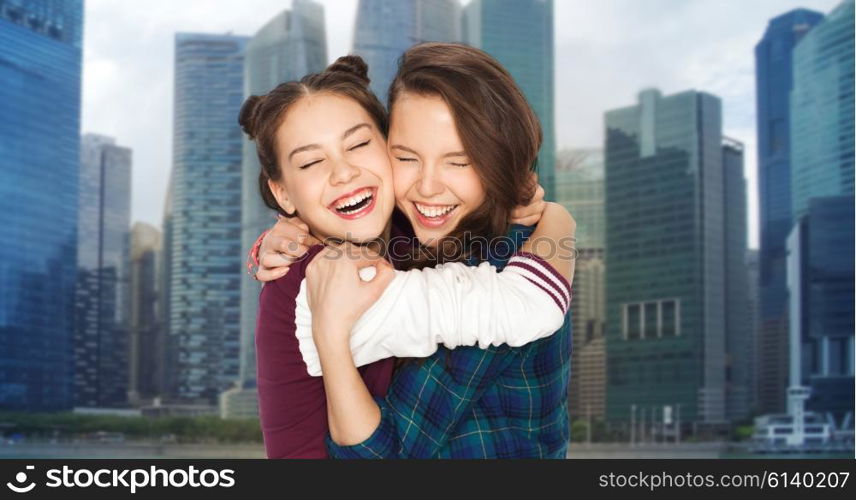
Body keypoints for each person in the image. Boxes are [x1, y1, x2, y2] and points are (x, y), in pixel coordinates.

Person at [241, 51, 575, 458]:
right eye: (408, 158)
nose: (428, 186)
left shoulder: (489, 264)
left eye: (360, 144)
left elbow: (386, 454)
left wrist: (558, 219)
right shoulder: (304, 276)